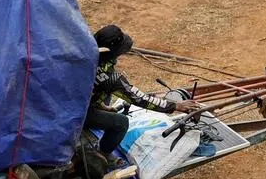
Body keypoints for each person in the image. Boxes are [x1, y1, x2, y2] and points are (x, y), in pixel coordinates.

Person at [84, 25, 197, 162]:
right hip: (78, 114)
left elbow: (90, 89)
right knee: (121, 122)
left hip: (69, 102)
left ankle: (94, 114)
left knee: (106, 96)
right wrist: (175, 106)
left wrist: (102, 107)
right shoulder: (110, 79)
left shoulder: (85, 52)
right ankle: (102, 154)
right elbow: (140, 98)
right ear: (111, 52)